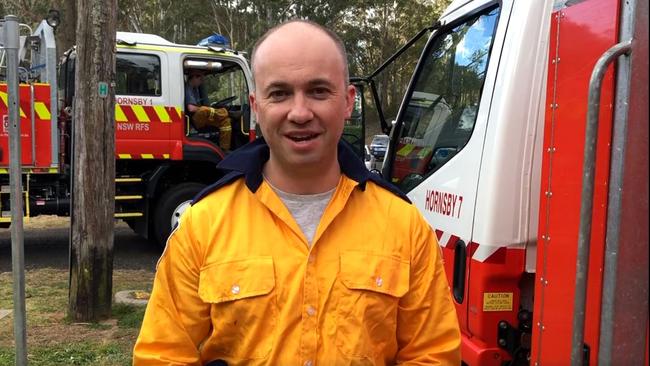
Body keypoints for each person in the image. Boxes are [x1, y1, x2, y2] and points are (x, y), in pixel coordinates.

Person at [134, 20, 460, 365]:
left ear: (348, 101)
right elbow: (164, 355)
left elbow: (432, 354)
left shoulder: (404, 227)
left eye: (319, 91)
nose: (300, 112)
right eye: (279, 93)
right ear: (256, 106)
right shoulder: (203, 225)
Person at [185, 69, 232, 150]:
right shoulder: (188, 88)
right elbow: (191, 108)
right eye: (200, 79)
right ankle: (225, 112)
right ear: (194, 77)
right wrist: (207, 109)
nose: (201, 81)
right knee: (204, 109)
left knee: (226, 122)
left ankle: (224, 149)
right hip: (194, 120)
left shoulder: (195, 89)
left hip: (200, 118)